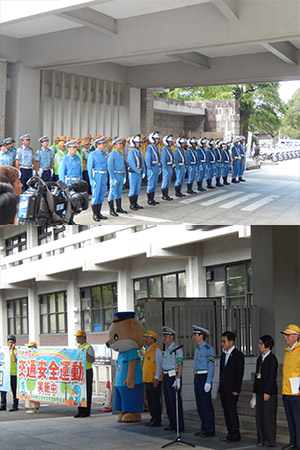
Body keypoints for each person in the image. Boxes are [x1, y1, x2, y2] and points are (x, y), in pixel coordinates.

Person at [252, 335, 278, 448]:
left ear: (268, 345)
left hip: (268, 393)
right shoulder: (260, 359)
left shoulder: (272, 359)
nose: (260, 346)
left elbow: (271, 377)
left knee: (268, 417)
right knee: (260, 417)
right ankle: (261, 438)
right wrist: (254, 390)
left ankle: (269, 440)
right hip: (259, 391)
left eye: (261, 343)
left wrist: (267, 391)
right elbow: (257, 376)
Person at [218, 330, 244, 442]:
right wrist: (219, 388)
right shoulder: (223, 355)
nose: (222, 344)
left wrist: (236, 388)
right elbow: (221, 373)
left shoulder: (238, 355)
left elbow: (239, 373)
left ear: (231, 342)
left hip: (232, 389)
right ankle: (229, 432)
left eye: (224, 341)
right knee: (226, 412)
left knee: (232, 411)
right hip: (224, 388)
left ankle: (235, 433)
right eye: (222, 341)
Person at [192, 325, 215, 438]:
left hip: (204, 376)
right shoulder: (197, 349)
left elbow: (211, 366)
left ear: (201, 336)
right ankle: (204, 427)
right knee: (200, 404)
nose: (193, 337)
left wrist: (208, 381)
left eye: (195, 335)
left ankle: (210, 428)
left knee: (206, 404)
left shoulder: (208, 349)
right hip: (197, 377)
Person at [281, 324, 300, 450]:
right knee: (291, 419)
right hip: (287, 390)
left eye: (288, 335)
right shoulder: (288, 351)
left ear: (296, 336)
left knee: (298, 420)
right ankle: (293, 442)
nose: (286, 337)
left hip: (296, 391)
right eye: (285, 335)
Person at [162, 326, 184, 432]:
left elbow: (180, 364)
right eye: (163, 336)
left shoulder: (177, 349)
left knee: (175, 401)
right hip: (166, 376)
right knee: (167, 401)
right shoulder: (166, 350)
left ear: (171, 337)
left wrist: (178, 378)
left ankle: (179, 425)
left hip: (173, 376)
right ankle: (172, 423)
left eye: (166, 336)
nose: (164, 338)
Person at [142, 330, 163, 427]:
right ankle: (153, 418)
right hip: (147, 380)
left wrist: (156, 378)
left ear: (153, 339)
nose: (145, 340)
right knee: (150, 401)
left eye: (147, 338)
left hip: (153, 380)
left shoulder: (156, 350)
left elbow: (159, 365)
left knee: (155, 401)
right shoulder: (147, 350)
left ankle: (157, 419)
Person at [74, 330, 95, 418]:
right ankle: (80, 410)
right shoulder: (77, 348)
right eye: (76, 337)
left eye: (78, 337)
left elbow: (92, 360)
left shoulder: (88, 347)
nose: (77, 339)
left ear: (83, 338)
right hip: (79, 372)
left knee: (87, 392)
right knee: (79, 391)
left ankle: (86, 411)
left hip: (87, 371)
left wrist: (85, 353)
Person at [87, 136, 108, 222]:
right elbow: (89, 168)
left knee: (101, 195)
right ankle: (95, 214)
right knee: (95, 195)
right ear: (98, 145)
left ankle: (99, 213)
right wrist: (91, 179)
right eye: (102, 144)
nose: (103, 145)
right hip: (97, 176)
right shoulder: (92, 154)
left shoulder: (104, 154)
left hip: (103, 176)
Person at [107, 137, 127, 216]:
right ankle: (111, 210)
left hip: (120, 175)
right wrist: (112, 178)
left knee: (119, 192)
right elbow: (110, 167)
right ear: (115, 145)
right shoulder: (112, 154)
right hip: (115, 175)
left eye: (121, 144)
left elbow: (123, 166)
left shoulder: (120, 154)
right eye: (119, 144)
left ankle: (119, 208)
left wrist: (124, 175)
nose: (121, 145)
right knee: (112, 193)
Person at [1, 335, 19, 411]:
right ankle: (3, 405)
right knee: (3, 390)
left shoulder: (16, 351)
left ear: (14, 343)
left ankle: (15, 405)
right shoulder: (5, 351)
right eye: (9, 342)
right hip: (6, 373)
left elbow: (14, 360)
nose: (10, 344)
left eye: (12, 342)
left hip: (13, 373)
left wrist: (12, 350)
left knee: (14, 390)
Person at [127, 135, 145, 211]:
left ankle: (135, 203)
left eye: (139, 142)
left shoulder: (140, 151)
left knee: (137, 189)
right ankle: (131, 204)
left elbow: (142, 162)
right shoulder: (131, 152)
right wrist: (138, 171)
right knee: (133, 189)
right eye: (137, 142)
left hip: (139, 172)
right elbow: (132, 164)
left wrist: (143, 171)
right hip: (133, 173)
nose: (138, 144)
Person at [145, 131, 161, 206]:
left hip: (156, 166)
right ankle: (149, 199)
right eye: (156, 139)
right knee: (151, 184)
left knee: (154, 184)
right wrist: (149, 168)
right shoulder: (149, 148)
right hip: (152, 167)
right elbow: (148, 159)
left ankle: (152, 198)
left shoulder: (156, 147)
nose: (157, 140)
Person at [25, 341, 40, 414]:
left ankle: (35, 407)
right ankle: (32, 407)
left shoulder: (38, 355)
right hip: (28, 376)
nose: (30, 349)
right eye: (29, 347)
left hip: (35, 376)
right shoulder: (26, 356)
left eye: (32, 347)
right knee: (29, 390)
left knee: (35, 391)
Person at [160, 135, 174, 201]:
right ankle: (164, 195)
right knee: (165, 181)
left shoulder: (169, 149)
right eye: (170, 141)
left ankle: (166, 194)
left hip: (170, 166)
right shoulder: (164, 149)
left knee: (168, 182)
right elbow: (163, 160)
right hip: (166, 167)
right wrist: (164, 168)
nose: (171, 143)